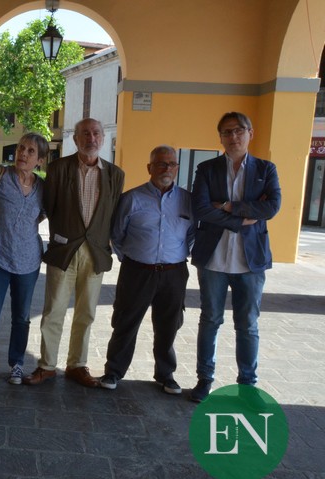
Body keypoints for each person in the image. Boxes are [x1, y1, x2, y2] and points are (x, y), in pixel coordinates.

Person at [24, 118, 124, 388]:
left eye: (96, 133)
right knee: (53, 310)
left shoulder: (115, 174)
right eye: (85, 134)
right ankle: (46, 366)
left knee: (86, 313)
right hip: (64, 250)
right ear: (75, 139)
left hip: (96, 253)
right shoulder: (58, 168)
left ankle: (77, 365)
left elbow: (113, 213)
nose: (91, 138)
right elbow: (49, 206)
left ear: (103, 138)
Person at [189, 112, 281, 403]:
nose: (233, 136)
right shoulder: (207, 169)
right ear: (220, 137)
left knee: (248, 324)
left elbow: (272, 207)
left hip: (250, 261)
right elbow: (201, 209)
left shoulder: (266, 169)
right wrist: (243, 218)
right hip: (213, 259)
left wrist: (228, 206)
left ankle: (247, 386)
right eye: (227, 132)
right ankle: (204, 380)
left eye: (239, 130)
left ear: (250, 133)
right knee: (210, 319)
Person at [98, 145, 193, 394]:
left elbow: (193, 233)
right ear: (149, 167)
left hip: (174, 272)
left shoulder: (187, 200)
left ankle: (165, 374)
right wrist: (133, 259)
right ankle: (113, 371)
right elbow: (117, 234)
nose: (166, 168)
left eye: (171, 164)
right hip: (137, 271)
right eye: (161, 164)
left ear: (177, 168)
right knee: (125, 322)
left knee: (169, 325)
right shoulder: (131, 198)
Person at [0, 133, 48, 386]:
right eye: (21, 148)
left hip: (28, 261)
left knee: (22, 317)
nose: (23, 154)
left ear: (40, 160)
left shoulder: (43, 188)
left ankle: (17, 364)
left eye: (30, 151)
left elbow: (41, 215)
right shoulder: (0, 175)